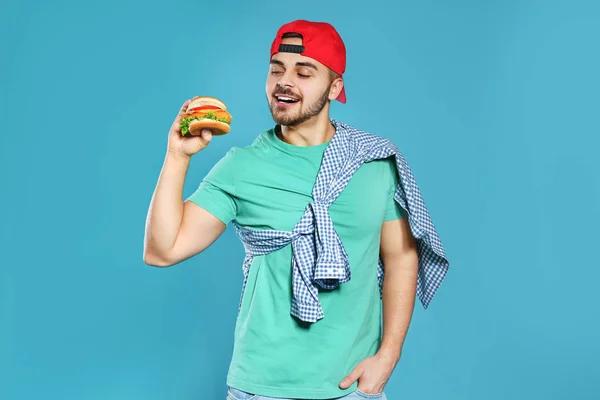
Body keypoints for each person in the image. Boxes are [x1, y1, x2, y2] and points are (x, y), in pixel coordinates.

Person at [143, 19, 449, 400]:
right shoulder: (242, 167)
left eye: (304, 72)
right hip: (261, 386)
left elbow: (402, 257)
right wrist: (177, 157)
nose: (284, 82)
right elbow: (162, 250)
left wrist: (388, 355)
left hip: (352, 388)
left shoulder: (373, 161)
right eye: (276, 70)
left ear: (335, 87)